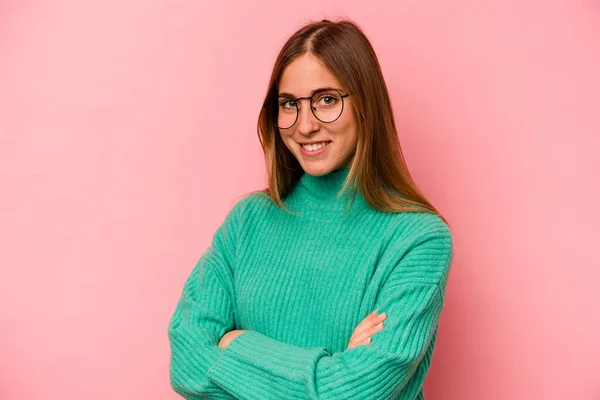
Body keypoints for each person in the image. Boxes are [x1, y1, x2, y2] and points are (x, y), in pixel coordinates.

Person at [168, 18, 454, 400]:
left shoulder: (419, 240)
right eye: (289, 104)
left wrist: (237, 343)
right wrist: (330, 369)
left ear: (365, 103)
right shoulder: (246, 222)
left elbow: (354, 394)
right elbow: (185, 364)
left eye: (326, 100)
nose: (304, 126)